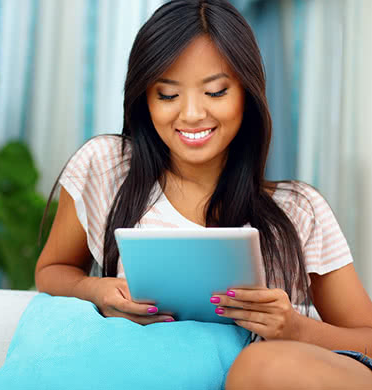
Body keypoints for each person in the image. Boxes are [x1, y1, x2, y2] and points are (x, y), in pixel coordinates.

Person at [34, 0, 372, 388]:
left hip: (280, 375)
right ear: (144, 98)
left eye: (215, 92)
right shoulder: (106, 168)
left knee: (260, 366)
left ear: (247, 92)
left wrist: (295, 328)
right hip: (155, 373)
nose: (192, 114)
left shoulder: (298, 210)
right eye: (167, 95)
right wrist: (97, 291)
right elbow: (52, 272)